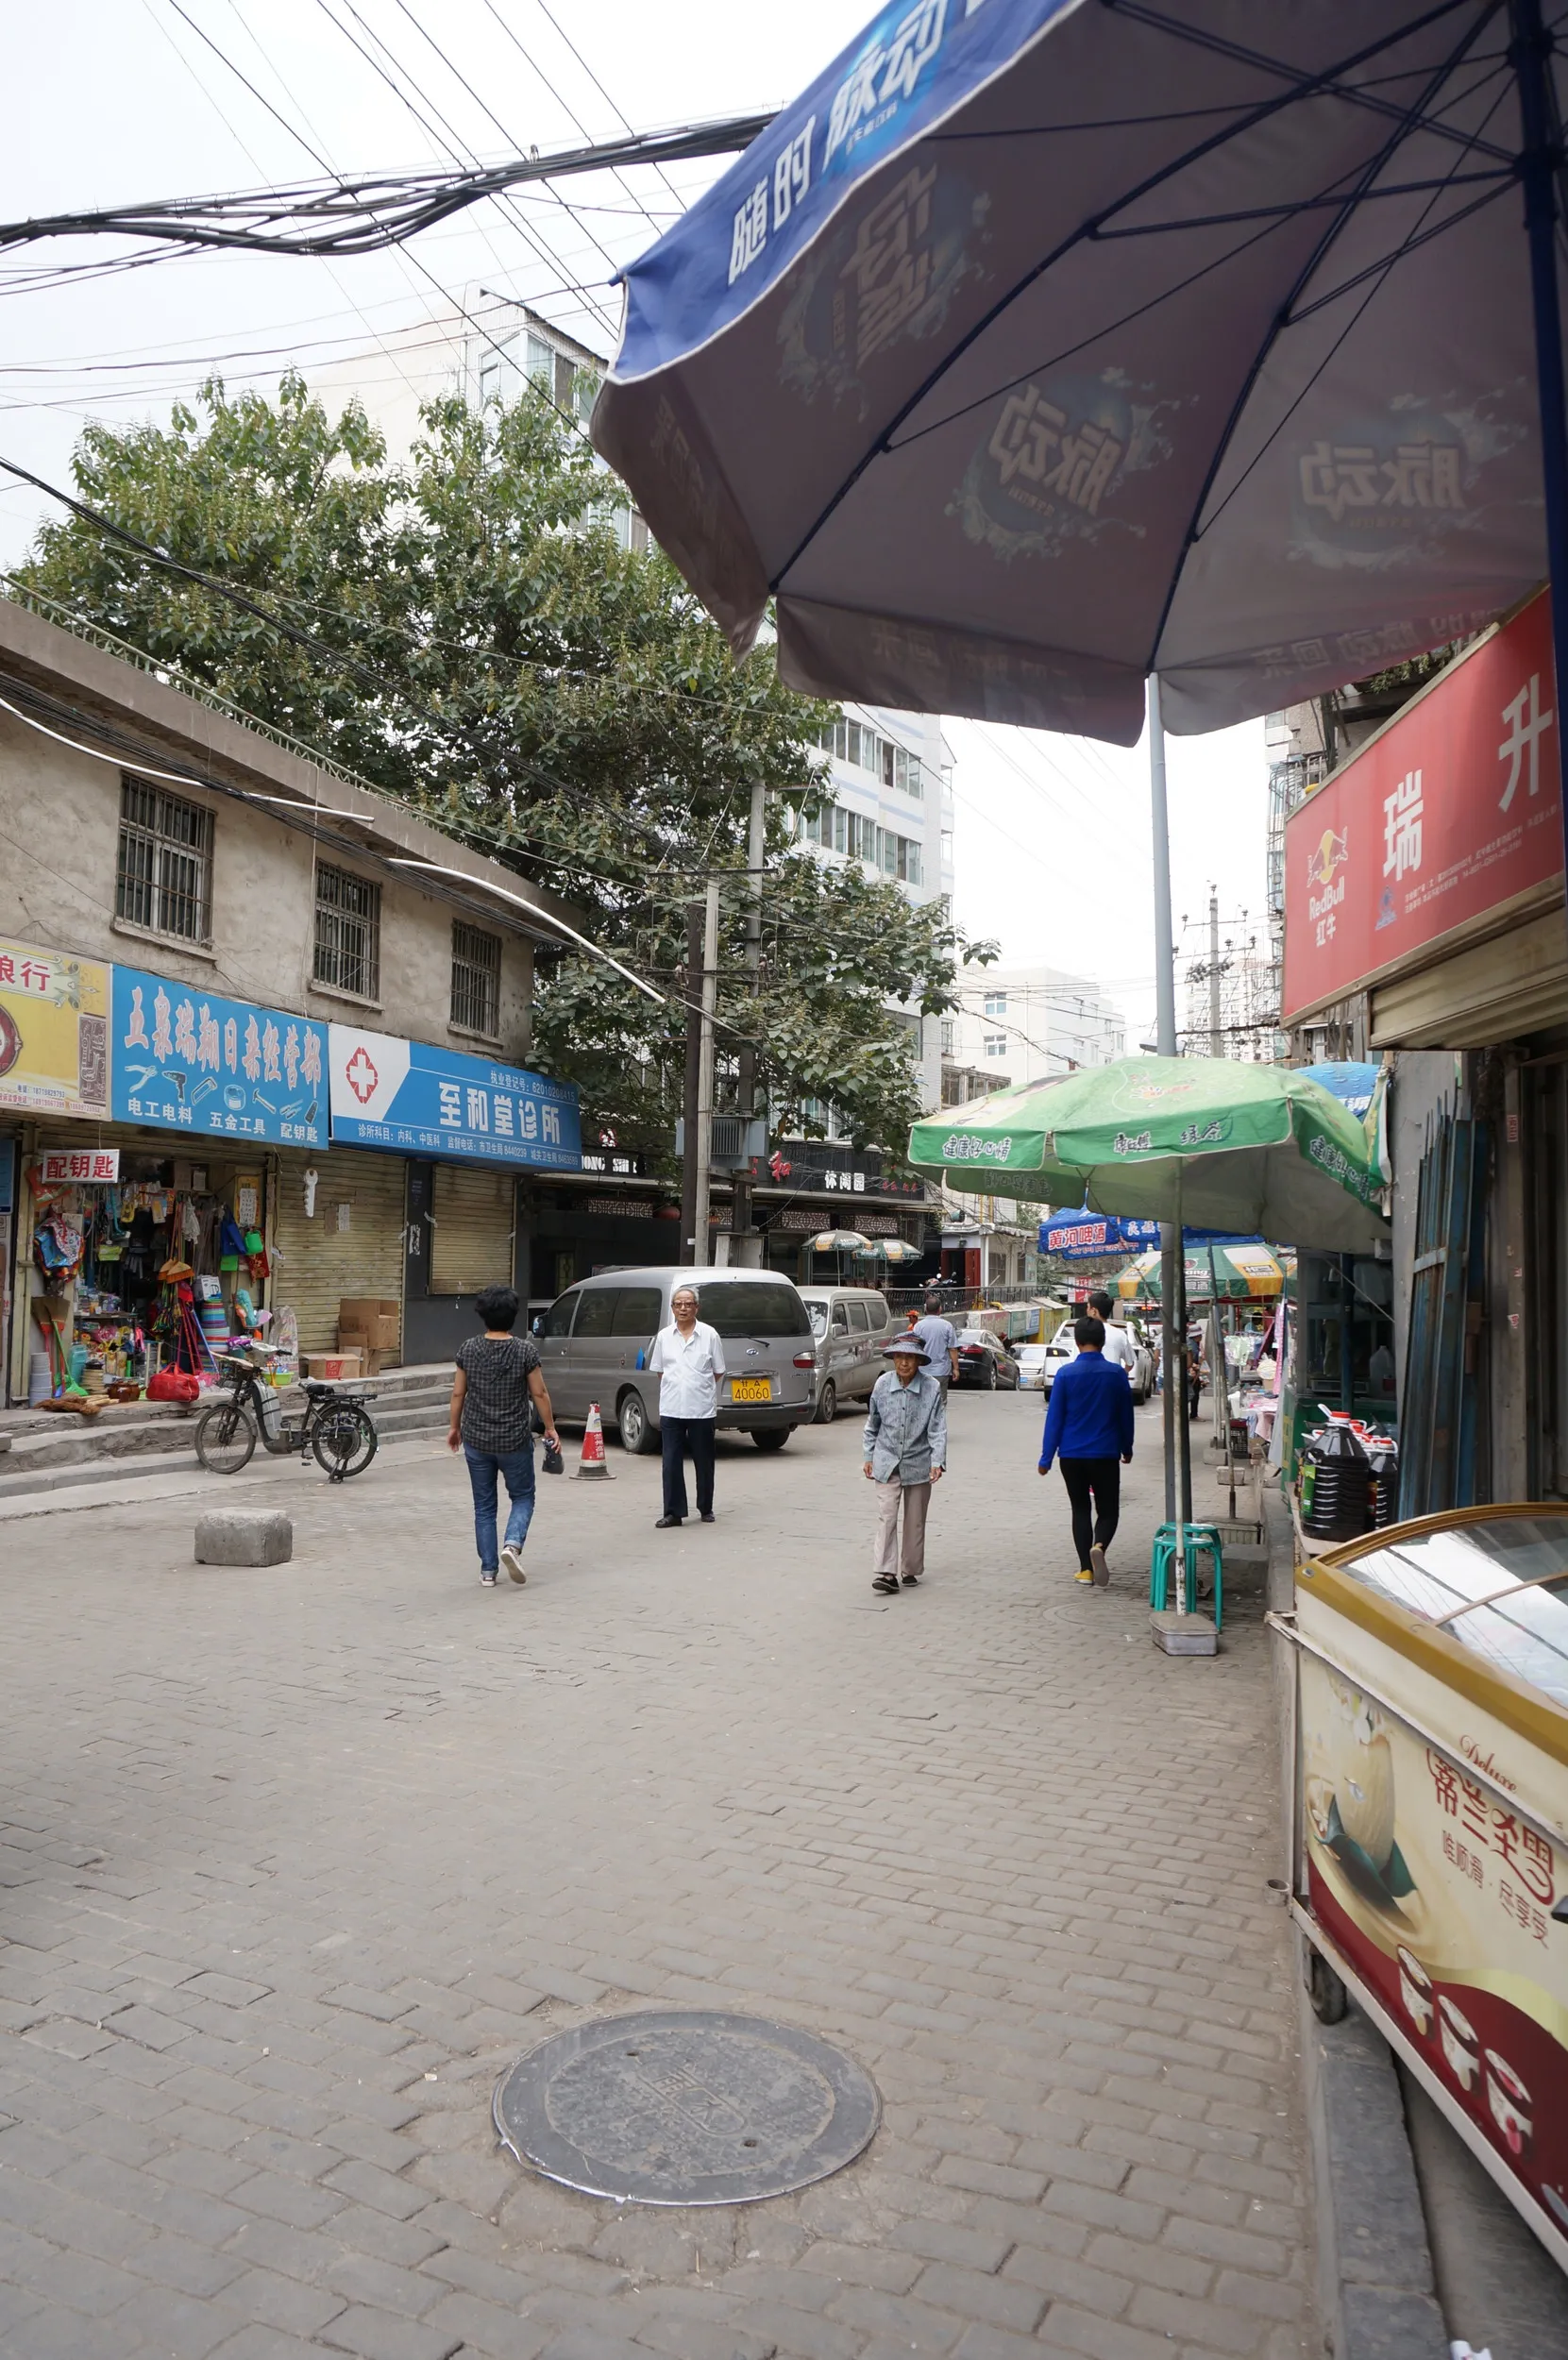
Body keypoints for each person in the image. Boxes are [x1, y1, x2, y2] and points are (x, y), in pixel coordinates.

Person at [447, 1284, 561, 1588]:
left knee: (484, 1506)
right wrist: (550, 1427)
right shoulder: (525, 1350)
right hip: (514, 1440)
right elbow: (539, 1393)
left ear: (482, 1315)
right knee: (523, 1496)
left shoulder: (468, 1349)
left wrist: (454, 1427)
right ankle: (512, 1544)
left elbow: (458, 1393)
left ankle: (488, 1571)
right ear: (514, 1315)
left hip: (477, 1439)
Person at [1037, 1313, 1135, 1587]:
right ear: (1102, 1342)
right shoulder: (1116, 1374)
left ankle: (1085, 1570)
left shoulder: (1065, 1374)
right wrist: (1127, 1447)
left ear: (1077, 1342)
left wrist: (1046, 1458)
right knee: (1108, 1511)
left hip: (1071, 1455)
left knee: (1080, 1509)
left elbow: (1055, 1419)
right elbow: (1125, 1416)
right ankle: (1099, 1546)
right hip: (1105, 1454)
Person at [863, 1335, 947, 1594]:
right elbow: (872, 1424)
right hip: (886, 1459)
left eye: (909, 1357)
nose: (904, 1363)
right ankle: (886, 1573)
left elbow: (937, 1428)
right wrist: (868, 1456)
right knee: (887, 1516)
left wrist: (937, 1461)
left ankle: (910, 1569)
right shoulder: (882, 1384)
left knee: (915, 1520)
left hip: (918, 1460)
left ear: (919, 1361)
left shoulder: (931, 1388)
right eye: (899, 1357)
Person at [649, 1283, 727, 1527]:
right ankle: (673, 1512)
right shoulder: (664, 1337)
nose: (683, 1308)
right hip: (671, 1408)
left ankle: (706, 1507)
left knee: (704, 1461)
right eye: (678, 1304)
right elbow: (660, 1371)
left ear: (696, 1307)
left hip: (701, 1409)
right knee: (671, 1462)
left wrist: (698, 1386)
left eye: (688, 1304)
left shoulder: (710, 1335)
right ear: (672, 1308)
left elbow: (718, 1371)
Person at [907, 1293, 961, 1391]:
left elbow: (914, 1348)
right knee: (940, 1398)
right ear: (940, 1309)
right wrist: (956, 1369)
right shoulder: (947, 1326)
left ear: (925, 1309)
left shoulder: (918, 1326)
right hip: (941, 1371)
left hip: (922, 1371)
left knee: (923, 1397)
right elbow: (952, 1349)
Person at [1086, 1289, 1138, 1380]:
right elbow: (1130, 1363)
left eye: (1088, 1307)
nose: (1086, 1310)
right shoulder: (1120, 1335)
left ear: (1094, 1311)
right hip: (1112, 1382)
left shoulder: (1083, 1333)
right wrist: (1122, 1374)